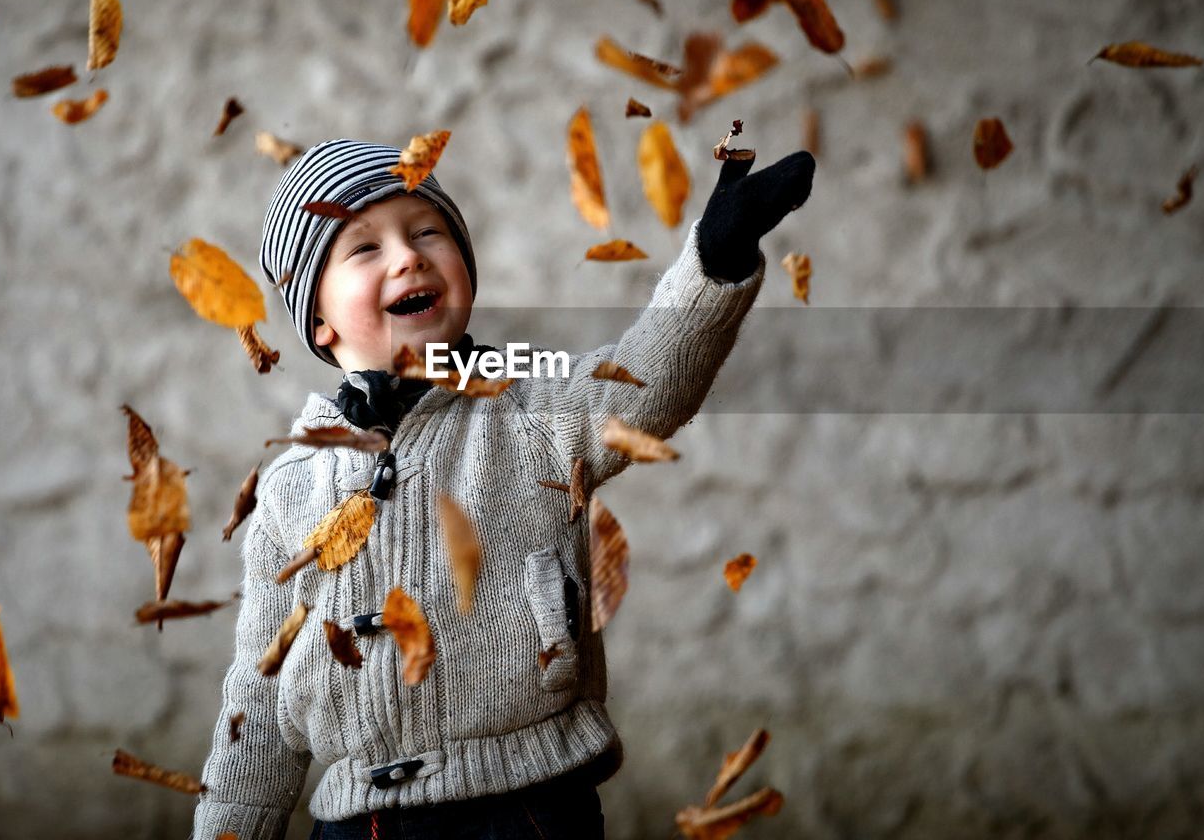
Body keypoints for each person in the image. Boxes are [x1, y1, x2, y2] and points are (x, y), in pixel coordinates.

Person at [191, 138, 815, 839]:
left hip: (528, 808)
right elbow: (258, 688)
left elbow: (647, 384)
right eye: (364, 249)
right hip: (358, 822)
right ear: (319, 322)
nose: (408, 255)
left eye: (428, 231)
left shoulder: (533, 411)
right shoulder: (290, 489)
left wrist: (714, 261)